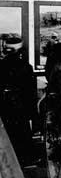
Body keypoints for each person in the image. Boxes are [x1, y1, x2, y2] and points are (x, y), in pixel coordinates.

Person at [0, 37, 36, 165]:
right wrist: (33, 115)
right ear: (20, 51)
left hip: (3, 107)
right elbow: (31, 94)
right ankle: (25, 161)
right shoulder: (26, 67)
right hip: (20, 107)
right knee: (22, 134)